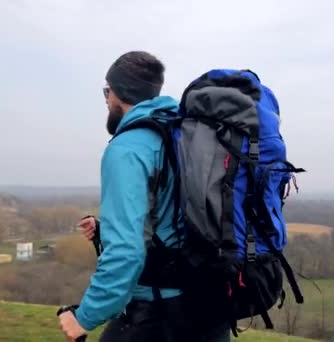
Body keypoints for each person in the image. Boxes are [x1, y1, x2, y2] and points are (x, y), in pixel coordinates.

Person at [58, 51, 231, 342]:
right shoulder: (185, 133)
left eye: (107, 90)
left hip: (159, 313)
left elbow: (127, 251)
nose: (106, 98)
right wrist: (104, 230)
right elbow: (175, 215)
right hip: (209, 304)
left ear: (120, 93)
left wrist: (84, 317)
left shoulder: (128, 149)